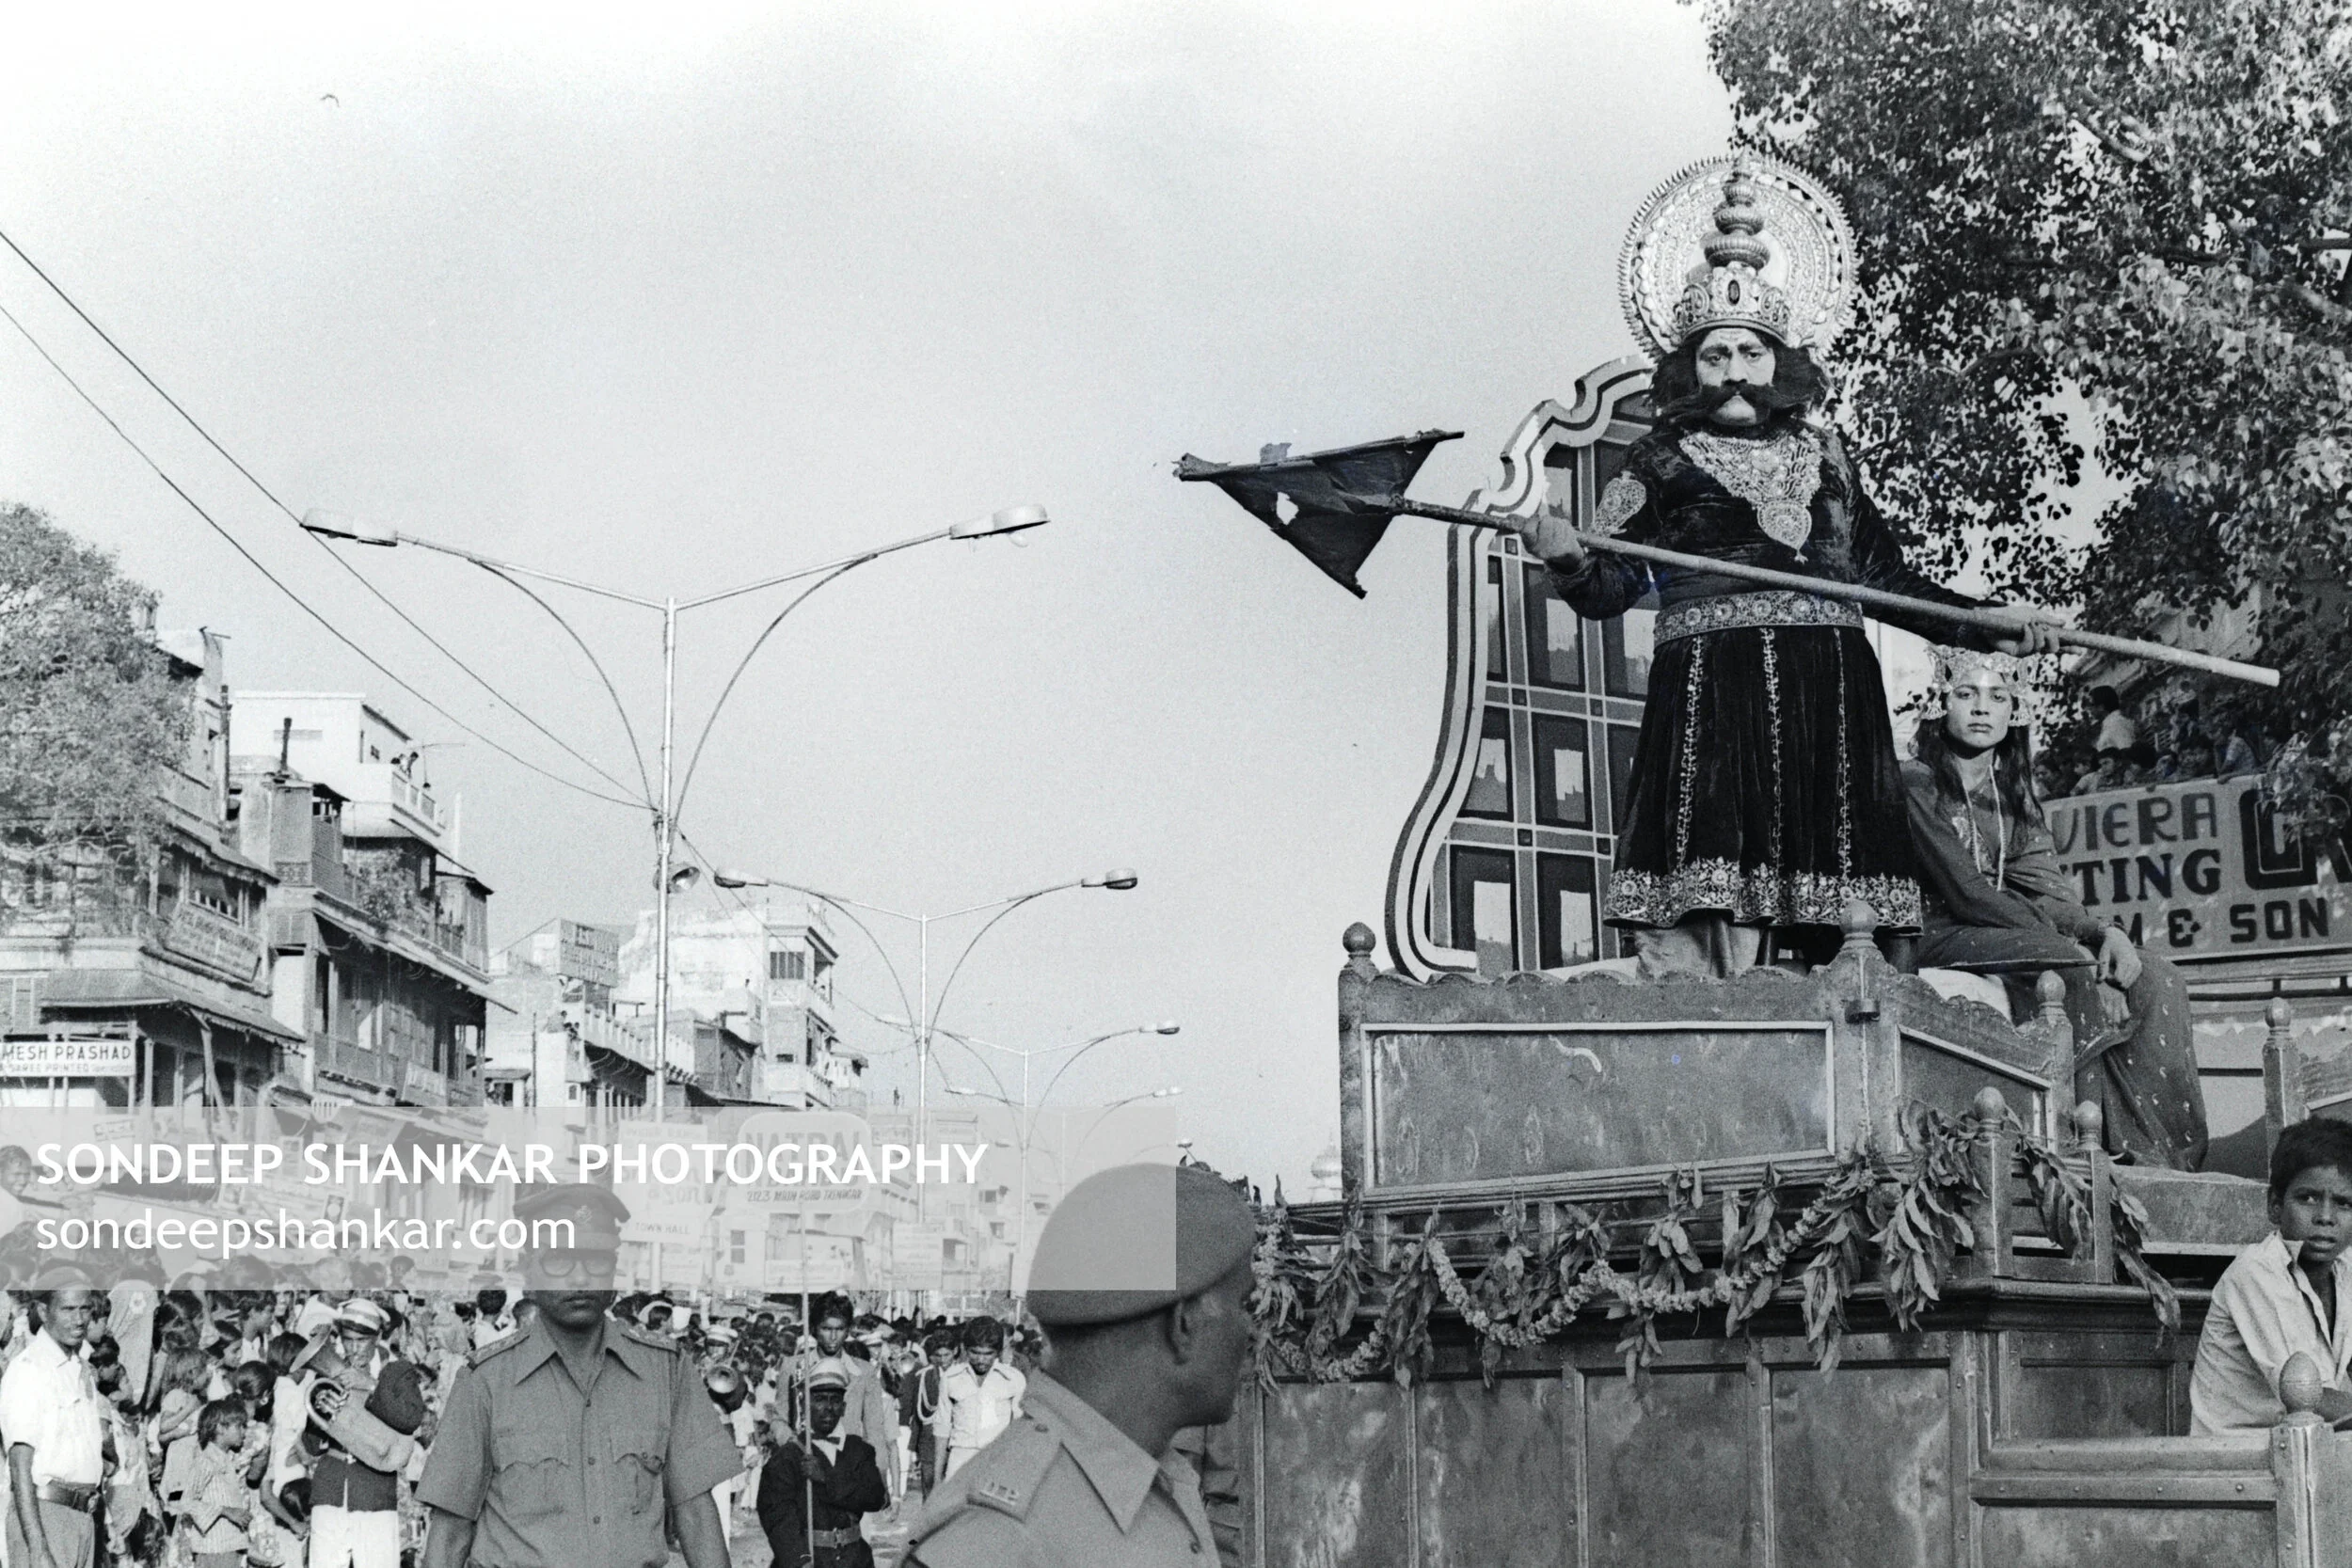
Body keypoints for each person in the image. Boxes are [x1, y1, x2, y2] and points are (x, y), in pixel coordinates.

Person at [1519, 158, 2054, 977]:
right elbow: (1609, 584)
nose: (1735, 371)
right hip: (1713, 702)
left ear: (1782, 360)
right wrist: (1566, 558)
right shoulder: (1657, 459)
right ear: (1687, 368)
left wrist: (1986, 623)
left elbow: (1885, 581)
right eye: (1715, 355)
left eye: (1752, 352)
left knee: (1847, 926)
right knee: (1719, 917)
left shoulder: (1830, 454)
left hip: (1830, 701)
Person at [1901, 646, 2208, 1169]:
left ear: (2014, 711)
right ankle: (2083, 1148)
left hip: (2013, 929)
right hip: (1936, 930)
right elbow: (1966, 891)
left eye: (1998, 697)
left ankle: (2165, 1157)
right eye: (1966, 694)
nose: (1982, 708)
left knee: (2158, 977)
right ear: (1941, 705)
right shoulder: (1916, 780)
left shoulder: (2013, 793)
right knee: (2070, 968)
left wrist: (2105, 934)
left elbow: (2046, 890)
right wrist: (2072, 949)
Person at [903, 1163, 1259, 1568]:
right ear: (1185, 1324)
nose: (1253, 1331)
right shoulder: (998, 1539)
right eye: (1243, 1304)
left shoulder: (1160, 1480)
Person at [417, 1184, 739, 1568]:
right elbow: (451, 1532)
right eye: (560, 1260)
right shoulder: (486, 1381)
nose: (581, 1277)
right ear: (529, 1270)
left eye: (596, 1261)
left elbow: (697, 1516)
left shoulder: (666, 1371)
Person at [2191, 1118, 2352, 1432]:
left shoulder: (2345, 1271)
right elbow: (2309, 1398)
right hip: (2238, 1456)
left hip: (2305, 1447)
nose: (2325, 1217)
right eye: (2308, 1198)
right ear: (2275, 1206)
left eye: (2344, 1203)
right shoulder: (2256, 1271)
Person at [0, 1275, 108, 1568]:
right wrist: (38, 1548)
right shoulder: (30, 1369)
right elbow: (19, 1465)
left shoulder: (80, 1370)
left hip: (83, 1519)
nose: (79, 1319)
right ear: (44, 1311)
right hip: (46, 1518)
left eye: (85, 1309)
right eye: (68, 1309)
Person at [756, 1367, 888, 1568]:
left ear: (844, 1407)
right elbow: (778, 1519)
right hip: (808, 1559)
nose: (828, 1408)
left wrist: (827, 1478)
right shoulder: (787, 1458)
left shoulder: (859, 1450)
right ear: (804, 1405)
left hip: (855, 1560)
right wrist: (801, 1561)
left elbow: (875, 1498)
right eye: (819, 1400)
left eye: (835, 1400)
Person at [799, 1298, 900, 1499]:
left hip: (848, 1472)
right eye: (826, 1329)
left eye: (839, 1329)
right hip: (803, 1469)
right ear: (814, 1329)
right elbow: (780, 1419)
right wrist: (793, 1445)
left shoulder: (864, 1372)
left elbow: (874, 1431)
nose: (833, 1337)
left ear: (847, 1331)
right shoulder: (795, 1367)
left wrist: (880, 1477)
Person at [937, 1319, 1024, 1479]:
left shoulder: (1013, 1379)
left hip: (997, 1460)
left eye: (988, 1354)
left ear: (998, 1352)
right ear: (965, 1349)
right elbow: (942, 1429)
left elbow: (1019, 1429)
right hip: (959, 1460)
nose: (981, 1360)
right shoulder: (951, 1378)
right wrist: (936, 1480)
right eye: (975, 1353)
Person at [175, 1399, 254, 1568]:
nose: (244, 1432)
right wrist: (225, 1511)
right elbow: (186, 1502)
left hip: (230, 1546)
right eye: (239, 1426)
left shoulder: (226, 1460)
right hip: (214, 1549)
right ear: (220, 1428)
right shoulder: (206, 1461)